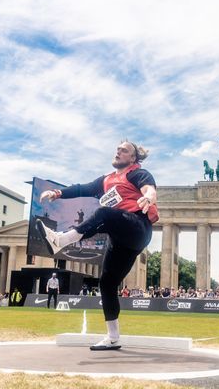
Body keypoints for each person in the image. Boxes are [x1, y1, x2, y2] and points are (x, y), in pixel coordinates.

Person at [38, 140, 158, 351]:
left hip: (137, 228)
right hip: (120, 238)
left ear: (133, 158)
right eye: (118, 149)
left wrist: (148, 198)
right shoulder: (107, 180)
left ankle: (61, 240)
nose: (118, 151)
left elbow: (150, 189)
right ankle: (113, 337)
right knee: (107, 284)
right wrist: (57, 193)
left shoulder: (138, 173)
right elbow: (81, 188)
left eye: (124, 150)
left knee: (103, 213)